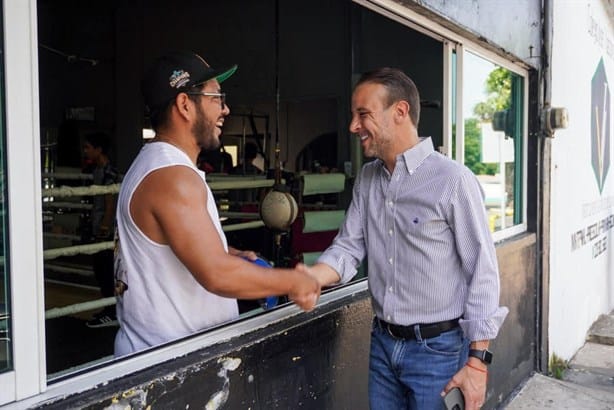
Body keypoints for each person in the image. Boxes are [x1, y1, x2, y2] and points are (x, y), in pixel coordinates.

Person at [304, 68, 508, 410]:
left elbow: (482, 272)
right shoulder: (368, 179)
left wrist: (476, 362)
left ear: (400, 112)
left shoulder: (453, 180)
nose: (353, 126)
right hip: (383, 342)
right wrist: (310, 277)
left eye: (363, 114)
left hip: (438, 350)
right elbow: (349, 246)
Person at [113, 51, 320, 356]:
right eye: (216, 98)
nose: (225, 109)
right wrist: (293, 281)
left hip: (167, 361)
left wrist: (228, 252)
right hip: (167, 369)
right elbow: (217, 273)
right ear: (185, 105)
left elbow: (172, 249)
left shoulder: (157, 165)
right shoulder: (172, 178)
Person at [83, 132, 120, 328]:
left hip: (105, 230)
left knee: (107, 270)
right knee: (100, 270)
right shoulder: (96, 171)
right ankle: (108, 308)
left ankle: (112, 310)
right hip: (97, 228)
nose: (86, 151)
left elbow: (109, 203)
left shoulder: (108, 172)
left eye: (88, 147)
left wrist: (104, 228)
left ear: (99, 149)